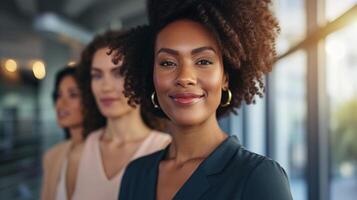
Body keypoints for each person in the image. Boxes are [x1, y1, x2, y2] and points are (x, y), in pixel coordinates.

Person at [116, 0, 293, 199]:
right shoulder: (135, 174)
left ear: (225, 78)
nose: (184, 77)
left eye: (203, 61)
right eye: (167, 63)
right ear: (152, 77)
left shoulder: (258, 177)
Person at [72, 30, 171, 200]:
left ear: (141, 79)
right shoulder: (78, 156)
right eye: (97, 75)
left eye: (119, 73)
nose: (105, 87)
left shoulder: (167, 151)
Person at [41, 65, 84, 200]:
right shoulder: (52, 157)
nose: (61, 103)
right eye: (59, 95)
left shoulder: (106, 153)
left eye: (73, 95)